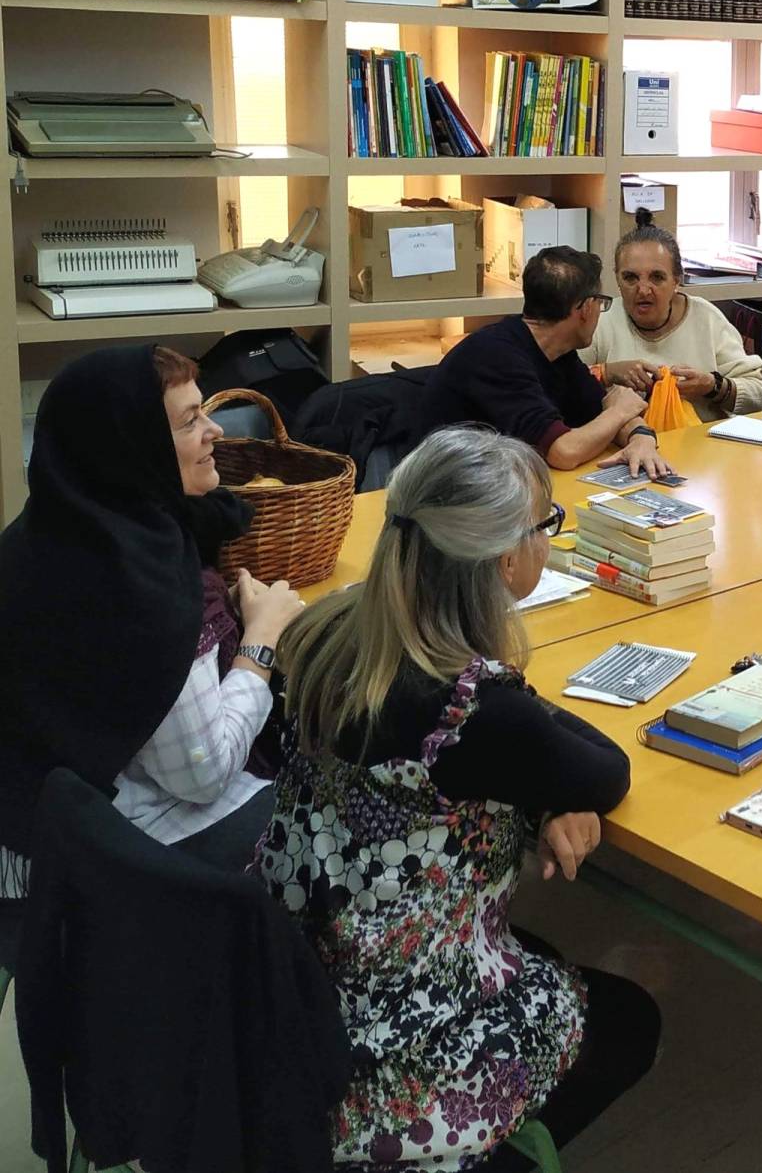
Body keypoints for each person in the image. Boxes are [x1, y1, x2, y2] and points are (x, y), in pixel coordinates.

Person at [255, 425, 659, 1171]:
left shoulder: (326, 632)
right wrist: (539, 760)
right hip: (383, 1047)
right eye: (545, 526)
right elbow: (606, 770)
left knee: (541, 956)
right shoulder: (478, 712)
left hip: (292, 980)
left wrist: (533, 765)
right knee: (631, 1020)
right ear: (506, 559)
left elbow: (522, 747)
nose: (548, 540)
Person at [0, 345, 305, 965]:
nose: (215, 431)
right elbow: (202, 773)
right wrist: (261, 640)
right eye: (190, 421)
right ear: (132, 446)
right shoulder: (141, 585)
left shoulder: (51, 531)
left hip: (33, 832)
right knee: (327, 814)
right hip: (96, 862)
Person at [418, 245, 671, 478]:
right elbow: (563, 452)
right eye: (600, 302)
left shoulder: (559, 352)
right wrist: (621, 411)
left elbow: (601, 410)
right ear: (585, 308)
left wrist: (641, 439)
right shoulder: (496, 356)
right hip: (446, 489)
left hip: (498, 481)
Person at [582, 211, 762, 421]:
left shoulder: (705, 318)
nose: (643, 290)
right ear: (617, 279)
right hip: (624, 439)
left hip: (699, 439)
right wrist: (606, 373)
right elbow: (562, 389)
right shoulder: (601, 321)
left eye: (657, 277)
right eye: (630, 278)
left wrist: (712, 386)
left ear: (677, 280)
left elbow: (756, 395)